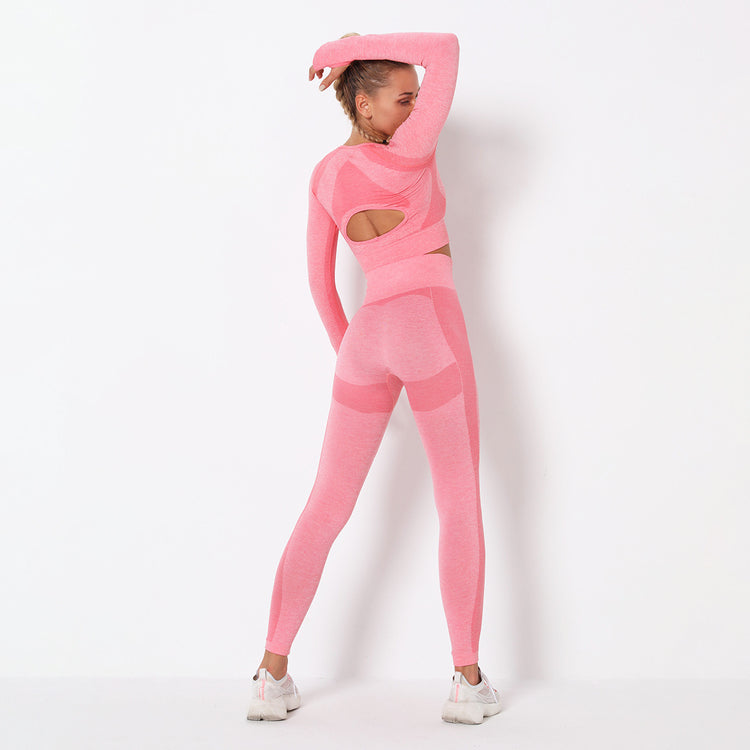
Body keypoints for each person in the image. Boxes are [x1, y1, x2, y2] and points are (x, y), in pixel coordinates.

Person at [246, 31, 501, 725]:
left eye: (417, 99)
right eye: (403, 98)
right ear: (363, 103)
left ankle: (270, 675)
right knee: (458, 499)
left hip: (365, 339)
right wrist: (339, 46)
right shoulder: (412, 152)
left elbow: (320, 283)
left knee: (326, 504)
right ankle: (467, 681)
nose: (417, 109)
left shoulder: (325, 174)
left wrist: (350, 357)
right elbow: (446, 46)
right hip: (428, 326)